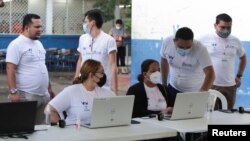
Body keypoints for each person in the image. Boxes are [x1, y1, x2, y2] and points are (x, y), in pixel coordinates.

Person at [6, 13, 55, 124]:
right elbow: (10, 69)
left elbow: (42, 67)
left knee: (42, 129)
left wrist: (49, 88)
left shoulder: (39, 44)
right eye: (37, 27)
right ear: (27, 27)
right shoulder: (16, 44)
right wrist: (13, 92)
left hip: (44, 95)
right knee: (24, 127)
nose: (40, 29)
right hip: (26, 95)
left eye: (41, 27)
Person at [199, 13, 247, 110]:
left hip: (229, 86)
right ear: (215, 26)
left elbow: (243, 58)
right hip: (211, 84)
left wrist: (239, 76)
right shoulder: (204, 39)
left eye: (229, 27)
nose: (226, 30)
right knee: (208, 114)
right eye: (222, 27)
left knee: (228, 115)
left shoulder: (235, 40)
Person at [49, 59, 115, 125]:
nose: (103, 76)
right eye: (101, 73)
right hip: (74, 132)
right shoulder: (71, 91)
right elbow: (49, 110)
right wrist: (60, 125)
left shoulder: (106, 92)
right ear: (91, 75)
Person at [160, 27, 215, 105]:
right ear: (174, 41)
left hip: (194, 92)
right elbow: (164, 61)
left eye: (188, 47)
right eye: (181, 47)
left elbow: (210, 73)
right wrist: (164, 84)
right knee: (169, 114)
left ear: (192, 42)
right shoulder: (167, 42)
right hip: (173, 88)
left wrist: (201, 93)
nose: (184, 49)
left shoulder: (200, 49)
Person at [74, 9, 118, 95]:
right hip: (83, 84)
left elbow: (113, 65)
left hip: (102, 85)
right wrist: (76, 78)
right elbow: (80, 59)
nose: (84, 24)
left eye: (85, 21)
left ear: (92, 23)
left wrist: (115, 90)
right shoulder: (82, 38)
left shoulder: (109, 40)